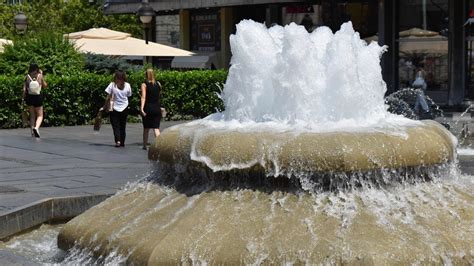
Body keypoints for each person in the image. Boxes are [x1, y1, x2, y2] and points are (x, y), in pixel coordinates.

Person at [105, 70, 132, 147]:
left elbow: (108, 97)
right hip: (124, 107)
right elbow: (129, 95)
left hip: (114, 108)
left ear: (116, 77)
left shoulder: (112, 85)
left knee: (116, 126)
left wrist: (105, 106)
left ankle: (118, 141)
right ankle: (122, 142)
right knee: (123, 126)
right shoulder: (127, 85)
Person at [23, 63, 47, 138]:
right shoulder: (39, 76)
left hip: (30, 97)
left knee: (32, 116)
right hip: (38, 97)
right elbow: (45, 85)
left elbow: (24, 89)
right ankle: (36, 128)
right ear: (37, 68)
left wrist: (23, 97)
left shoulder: (27, 76)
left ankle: (32, 132)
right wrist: (41, 74)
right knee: (40, 115)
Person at [140, 68, 162, 150]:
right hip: (157, 107)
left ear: (146, 75)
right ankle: (160, 145)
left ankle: (145, 145)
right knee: (156, 128)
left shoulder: (144, 84)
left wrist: (142, 108)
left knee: (146, 128)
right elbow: (159, 96)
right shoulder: (158, 84)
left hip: (148, 108)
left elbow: (143, 97)